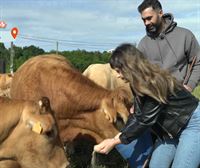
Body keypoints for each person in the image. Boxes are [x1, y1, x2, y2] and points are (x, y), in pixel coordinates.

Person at [94, 43, 200, 168]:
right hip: (168, 132)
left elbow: (145, 120)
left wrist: (114, 142)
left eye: (119, 71)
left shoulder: (153, 83)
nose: (117, 75)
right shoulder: (136, 84)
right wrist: (117, 137)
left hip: (192, 124)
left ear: (130, 67)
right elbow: (138, 115)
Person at [137, 0, 200, 92]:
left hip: (182, 98)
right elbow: (139, 74)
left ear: (160, 13)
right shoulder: (143, 44)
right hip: (155, 100)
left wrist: (190, 85)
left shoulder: (185, 35)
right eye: (143, 20)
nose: (146, 23)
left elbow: (198, 62)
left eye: (149, 18)